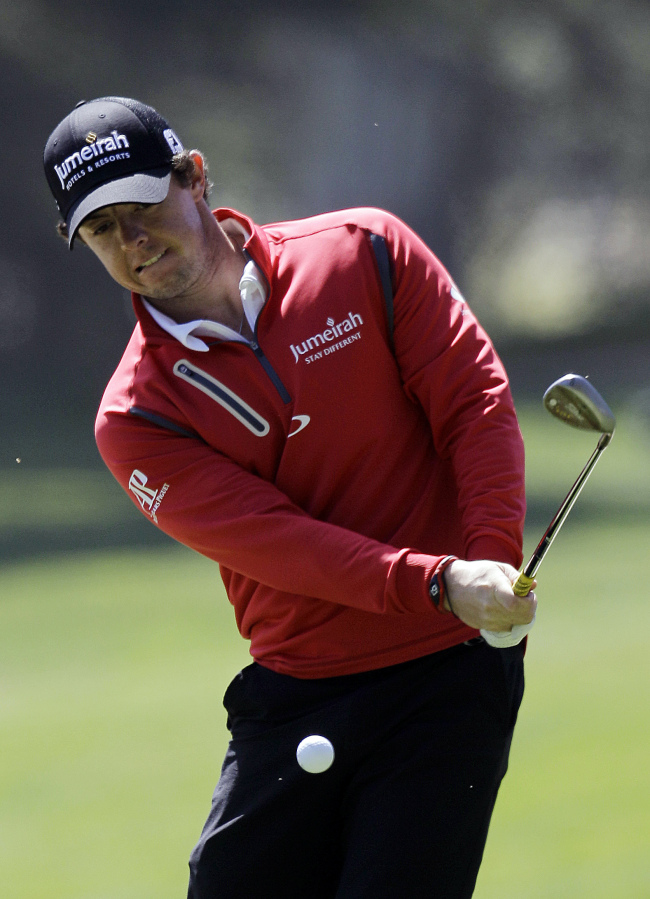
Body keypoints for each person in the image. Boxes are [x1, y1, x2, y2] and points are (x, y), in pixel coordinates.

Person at [44, 96, 537, 898]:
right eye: (102, 230)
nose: (133, 242)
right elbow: (280, 542)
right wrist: (441, 580)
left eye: (142, 207)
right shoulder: (136, 415)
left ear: (195, 176)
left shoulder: (365, 251)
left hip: (448, 674)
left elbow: (472, 405)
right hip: (298, 689)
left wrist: (489, 561)